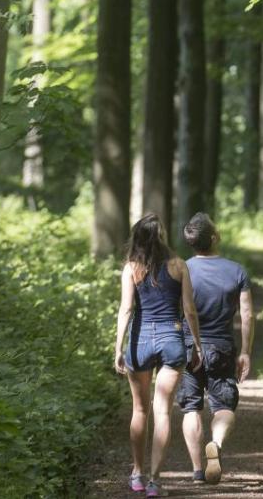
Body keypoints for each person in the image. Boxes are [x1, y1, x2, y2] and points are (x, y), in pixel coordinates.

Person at [114, 213, 203, 498]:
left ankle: (137, 473)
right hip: (171, 339)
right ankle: (154, 481)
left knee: (139, 410)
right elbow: (189, 310)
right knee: (162, 410)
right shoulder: (179, 265)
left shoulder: (131, 268)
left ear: (137, 237)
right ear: (161, 236)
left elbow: (126, 309)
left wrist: (118, 347)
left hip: (139, 339)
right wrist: (197, 345)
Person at [176, 213, 254, 485]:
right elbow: (247, 314)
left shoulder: (181, 269)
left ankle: (198, 471)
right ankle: (216, 444)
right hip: (221, 347)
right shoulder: (236, 270)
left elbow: (178, 311)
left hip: (188, 347)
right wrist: (245, 351)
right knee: (224, 405)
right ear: (213, 237)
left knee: (191, 408)